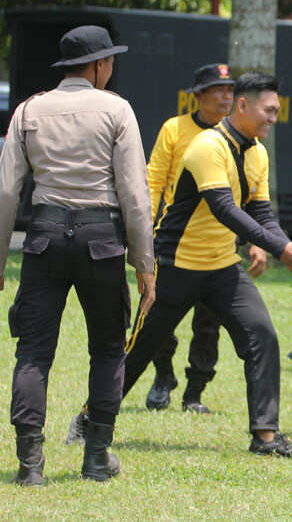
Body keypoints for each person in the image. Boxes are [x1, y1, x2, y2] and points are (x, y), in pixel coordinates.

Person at [71, 72, 292, 458]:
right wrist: (281, 250)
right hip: (175, 265)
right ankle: (89, 417)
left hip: (223, 267)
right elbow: (225, 209)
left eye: (277, 111)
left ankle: (265, 437)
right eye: (269, 110)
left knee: (262, 336)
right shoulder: (206, 146)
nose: (273, 118)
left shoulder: (258, 152)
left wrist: (288, 246)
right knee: (140, 349)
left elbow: (261, 212)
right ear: (243, 105)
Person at [0, 25, 154, 484]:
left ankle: (30, 466)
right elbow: (134, 194)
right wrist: (144, 264)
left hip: (43, 236)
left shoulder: (28, 110)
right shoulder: (117, 110)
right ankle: (96, 457)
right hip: (101, 239)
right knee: (108, 348)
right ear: (99, 65)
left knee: (32, 352)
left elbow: (8, 191)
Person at [143, 63, 267, 414]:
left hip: (220, 249)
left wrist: (258, 241)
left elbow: (254, 196)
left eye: (230, 91)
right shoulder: (175, 129)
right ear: (197, 96)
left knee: (208, 324)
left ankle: (195, 392)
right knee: (156, 318)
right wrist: (143, 234)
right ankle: (162, 376)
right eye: (218, 90)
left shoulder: (246, 141)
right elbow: (154, 181)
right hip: (175, 243)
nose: (226, 96)